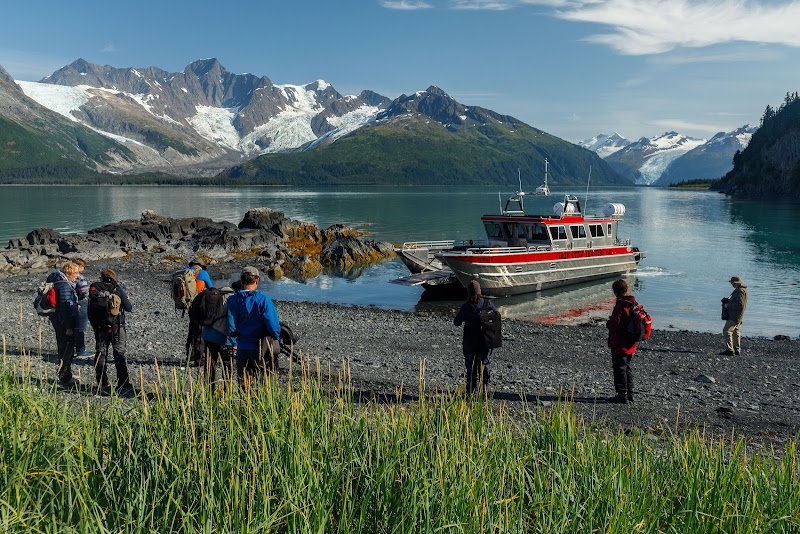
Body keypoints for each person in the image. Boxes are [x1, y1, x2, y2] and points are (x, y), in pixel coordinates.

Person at [226, 266, 281, 387]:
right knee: (262, 384)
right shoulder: (263, 300)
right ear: (257, 280)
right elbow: (273, 325)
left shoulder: (232, 300)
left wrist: (233, 341)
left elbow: (230, 323)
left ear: (242, 281)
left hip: (242, 347)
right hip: (261, 348)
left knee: (243, 385)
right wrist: (276, 337)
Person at [91, 268, 134, 394]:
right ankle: (123, 382)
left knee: (101, 352)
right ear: (113, 277)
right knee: (119, 353)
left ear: (101, 277)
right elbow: (129, 307)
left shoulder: (94, 289)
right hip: (117, 326)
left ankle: (102, 382)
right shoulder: (117, 289)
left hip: (100, 326)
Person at [454, 280, 495, 395]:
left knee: (471, 367)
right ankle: (484, 390)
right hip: (486, 341)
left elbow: (456, 322)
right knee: (484, 364)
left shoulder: (467, 306)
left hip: (470, 342)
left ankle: (470, 392)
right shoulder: (488, 303)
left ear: (469, 292)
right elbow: (496, 316)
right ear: (479, 291)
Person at [198, 283, 239, 388]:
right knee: (227, 367)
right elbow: (231, 322)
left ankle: (209, 392)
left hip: (208, 336)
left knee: (209, 366)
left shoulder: (214, 296)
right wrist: (234, 342)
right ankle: (226, 392)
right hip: (223, 339)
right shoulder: (231, 298)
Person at [46, 261, 80, 386]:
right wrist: (69, 327)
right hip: (63, 321)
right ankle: (64, 376)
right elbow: (65, 307)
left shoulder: (56, 281)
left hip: (57, 318)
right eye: (76, 273)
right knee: (67, 348)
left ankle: (65, 373)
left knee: (62, 345)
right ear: (69, 273)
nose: (78, 275)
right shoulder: (64, 285)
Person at [606, 279, 638, 404]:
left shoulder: (620, 305)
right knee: (627, 368)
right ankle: (630, 393)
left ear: (615, 292)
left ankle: (621, 395)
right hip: (630, 342)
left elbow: (615, 324)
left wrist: (608, 323)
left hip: (620, 343)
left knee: (619, 369)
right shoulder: (632, 303)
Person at [184, 258, 213, 366]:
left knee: (192, 329)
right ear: (200, 265)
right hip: (200, 304)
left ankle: (190, 355)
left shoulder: (185, 271)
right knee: (200, 330)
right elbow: (211, 287)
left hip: (189, 304)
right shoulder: (203, 273)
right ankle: (199, 358)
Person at [721, 275, 748, 356]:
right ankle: (736, 349)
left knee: (727, 330)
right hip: (738, 316)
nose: (732, 285)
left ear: (737, 283)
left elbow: (740, 305)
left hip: (734, 316)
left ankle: (729, 350)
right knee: (736, 331)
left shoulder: (740, 291)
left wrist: (728, 305)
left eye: (733, 283)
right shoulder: (742, 290)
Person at [73, 258, 92, 357]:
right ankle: (80, 350)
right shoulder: (79, 277)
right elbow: (85, 291)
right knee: (81, 327)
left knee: (71, 326)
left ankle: (71, 349)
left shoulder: (68, 276)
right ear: (79, 267)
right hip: (82, 302)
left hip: (72, 303)